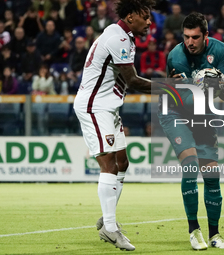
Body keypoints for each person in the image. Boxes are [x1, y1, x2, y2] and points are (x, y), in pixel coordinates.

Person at [74, 0, 157, 251]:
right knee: (109, 164)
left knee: (123, 162)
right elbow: (131, 80)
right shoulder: (119, 39)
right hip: (94, 107)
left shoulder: (121, 35)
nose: (150, 22)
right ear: (131, 17)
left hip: (108, 107)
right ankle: (110, 228)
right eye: (145, 17)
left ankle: (106, 217)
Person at [158, 12, 224, 250]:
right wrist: (204, 84)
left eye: (195, 37)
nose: (190, 42)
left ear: (206, 36)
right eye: (186, 36)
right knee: (191, 164)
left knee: (212, 175)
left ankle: (215, 235)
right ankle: (194, 231)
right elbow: (185, 100)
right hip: (175, 112)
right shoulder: (176, 56)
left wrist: (219, 85)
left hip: (203, 113)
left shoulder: (221, 50)